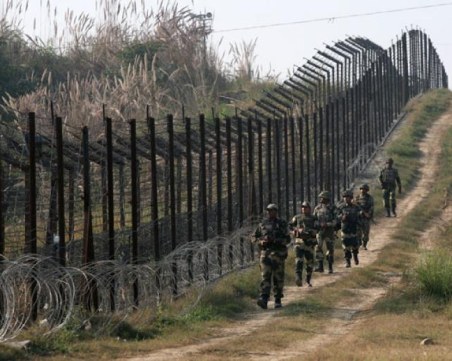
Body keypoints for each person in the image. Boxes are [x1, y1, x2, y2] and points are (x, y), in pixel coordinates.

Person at [252, 203, 291, 309]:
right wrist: (260, 242)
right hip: (265, 254)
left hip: (278, 254)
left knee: (278, 277)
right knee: (265, 277)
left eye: (272, 210)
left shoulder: (282, 224)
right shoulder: (263, 224)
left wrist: (275, 240)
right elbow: (253, 237)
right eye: (268, 211)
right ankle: (264, 299)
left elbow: (288, 239)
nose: (270, 212)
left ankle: (277, 299)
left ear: (276, 211)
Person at [289, 201, 318, 287]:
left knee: (310, 263)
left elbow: (317, 228)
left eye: (305, 207)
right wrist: (295, 231)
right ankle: (298, 278)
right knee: (299, 261)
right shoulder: (297, 218)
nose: (304, 209)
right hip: (299, 243)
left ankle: (308, 279)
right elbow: (289, 226)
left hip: (310, 244)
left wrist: (309, 232)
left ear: (309, 208)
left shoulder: (313, 218)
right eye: (302, 207)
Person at [313, 191, 337, 274]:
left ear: (327, 198)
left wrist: (327, 224)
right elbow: (314, 219)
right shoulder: (317, 208)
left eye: (322, 198)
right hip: (320, 231)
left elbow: (336, 220)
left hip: (329, 231)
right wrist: (318, 224)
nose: (321, 199)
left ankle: (330, 267)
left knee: (330, 249)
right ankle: (320, 266)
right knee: (318, 247)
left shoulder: (332, 208)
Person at [336, 190, 362, 268]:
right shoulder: (341, 207)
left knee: (355, 245)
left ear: (351, 198)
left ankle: (355, 256)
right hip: (345, 228)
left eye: (348, 197)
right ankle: (348, 261)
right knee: (345, 246)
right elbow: (336, 216)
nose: (346, 199)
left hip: (354, 228)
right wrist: (342, 217)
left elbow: (360, 215)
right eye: (345, 197)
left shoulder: (356, 207)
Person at [354, 184, 374, 250]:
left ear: (367, 190)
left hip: (366, 218)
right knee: (358, 233)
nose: (363, 190)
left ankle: (364, 245)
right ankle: (359, 244)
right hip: (359, 218)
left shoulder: (369, 198)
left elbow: (371, 207)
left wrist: (368, 214)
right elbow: (354, 207)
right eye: (362, 189)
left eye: (364, 189)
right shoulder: (357, 198)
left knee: (366, 233)